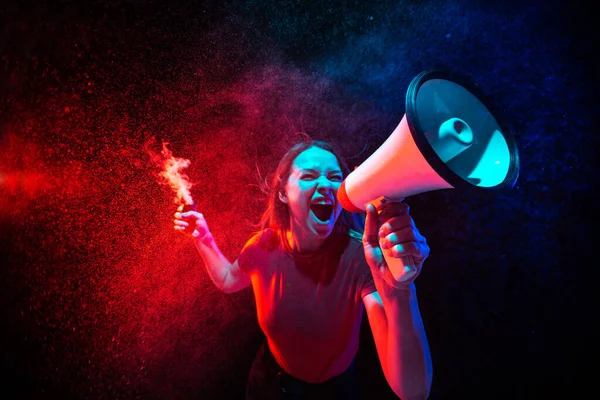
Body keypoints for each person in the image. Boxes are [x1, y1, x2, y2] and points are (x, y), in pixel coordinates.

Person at [173, 140, 432, 399]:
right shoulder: (263, 246)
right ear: (283, 192)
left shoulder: (360, 257)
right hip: (269, 383)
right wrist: (204, 239)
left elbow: (413, 392)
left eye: (335, 177)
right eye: (308, 176)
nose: (325, 185)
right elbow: (228, 280)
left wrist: (400, 289)